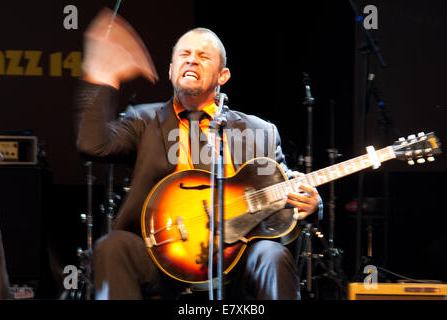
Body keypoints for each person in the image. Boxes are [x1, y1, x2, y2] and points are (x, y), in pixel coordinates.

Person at [76, 9, 322, 300]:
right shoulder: (143, 120)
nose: (192, 59)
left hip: (235, 264)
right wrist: (102, 76)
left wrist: (309, 205)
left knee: (272, 253)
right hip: (161, 257)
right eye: (184, 54)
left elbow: (282, 193)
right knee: (112, 246)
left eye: (203, 56)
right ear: (170, 70)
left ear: (223, 75)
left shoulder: (260, 131)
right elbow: (92, 145)